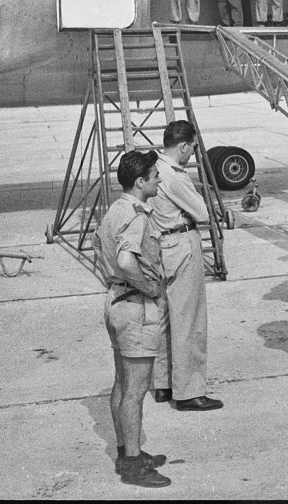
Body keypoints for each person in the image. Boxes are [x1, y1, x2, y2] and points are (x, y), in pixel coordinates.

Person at [94, 149, 171, 488]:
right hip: (135, 306)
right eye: (155, 176)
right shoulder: (137, 217)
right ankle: (134, 466)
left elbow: (99, 249)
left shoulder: (115, 209)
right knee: (136, 390)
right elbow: (127, 261)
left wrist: (117, 282)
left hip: (115, 301)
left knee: (122, 384)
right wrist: (147, 287)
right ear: (140, 182)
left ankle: (127, 452)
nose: (159, 180)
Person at [150, 120, 223, 411]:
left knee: (165, 318)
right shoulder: (175, 175)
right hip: (181, 244)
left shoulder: (155, 168)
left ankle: (163, 384)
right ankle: (189, 391)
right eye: (192, 147)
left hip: (161, 246)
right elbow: (202, 213)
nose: (193, 152)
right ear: (182, 146)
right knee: (189, 320)